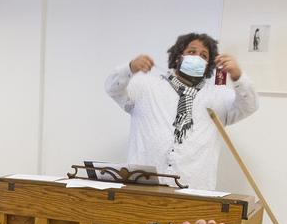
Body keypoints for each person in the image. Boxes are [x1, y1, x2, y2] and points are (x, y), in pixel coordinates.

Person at [105, 32, 258, 190]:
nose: (197, 58)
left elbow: (249, 105)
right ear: (178, 57)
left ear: (208, 65)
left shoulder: (218, 97)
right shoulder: (146, 86)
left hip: (194, 191)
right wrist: (129, 68)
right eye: (192, 52)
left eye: (204, 56)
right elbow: (112, 89)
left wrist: (238, 76)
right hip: (143, 188)